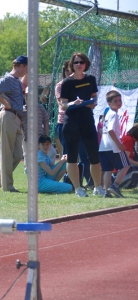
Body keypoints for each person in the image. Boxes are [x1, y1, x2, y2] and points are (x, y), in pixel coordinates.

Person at [59, 52, 104, 198]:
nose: (79, 65)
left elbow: (94, 98)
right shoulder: (67, 82)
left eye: (81, 62)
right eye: (76, 62)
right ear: (72, 64)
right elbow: (64, 105)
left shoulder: (90, 79)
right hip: (71, 121)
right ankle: (78, 188)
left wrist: (91, 103)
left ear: (86, 64)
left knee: (94, 155)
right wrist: (74, 103)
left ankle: (98, 187)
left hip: (87, 120)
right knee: (72, 156)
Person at [0, 55, 27, 193]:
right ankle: (8, 187)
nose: (28, 70)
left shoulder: (17, 81)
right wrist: (4, 103)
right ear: (21, 65)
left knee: (17, 154)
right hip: (8, 116)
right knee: (7, 153)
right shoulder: (9, 79)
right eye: (27, 67)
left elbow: (25, 83)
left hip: (16, 118)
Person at [99, 90, 129, 198]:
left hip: (103, 147)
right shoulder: (113, 114)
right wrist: (119, 144)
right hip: (113, 147)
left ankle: (106, 192)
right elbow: (111, 130)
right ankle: (115, 186)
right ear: (109, 103)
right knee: (125, 166)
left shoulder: (108, 114)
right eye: (115, 101)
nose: (118, 102)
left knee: (108, 169)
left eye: (120, 100)